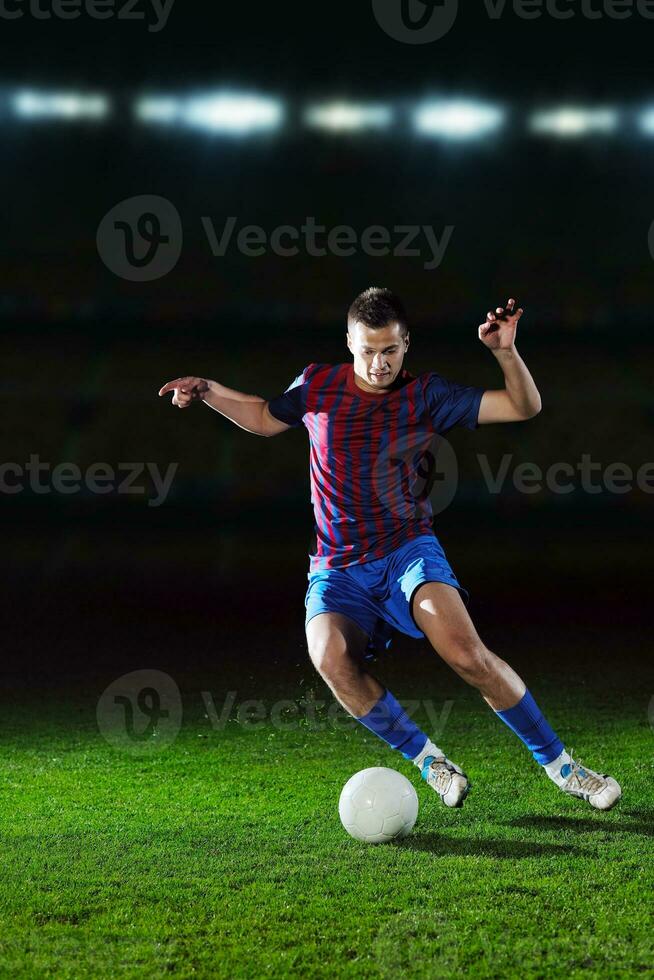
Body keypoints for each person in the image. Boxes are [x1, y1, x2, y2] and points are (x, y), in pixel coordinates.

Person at [158, 287, 621, 812]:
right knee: (329, 658)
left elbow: (523, 406)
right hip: (336, 567)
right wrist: (209, 390)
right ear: (349, 343)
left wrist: (504, 351)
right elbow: (264, 418)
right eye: (367, 351)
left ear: (406, 345)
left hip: (407, 552)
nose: (378, 364)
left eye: (390, 351)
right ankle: (432, 763)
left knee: (468, 656)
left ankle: (564, 768)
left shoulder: (427, 395)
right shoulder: (317, 385)